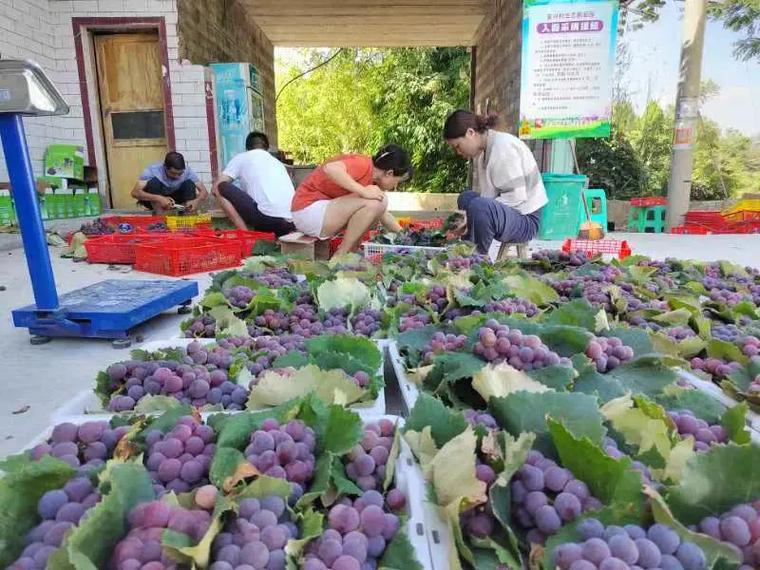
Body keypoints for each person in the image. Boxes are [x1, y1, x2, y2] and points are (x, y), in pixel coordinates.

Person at [443, 110, 548, 255]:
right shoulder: (483, 155)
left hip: (527, 220)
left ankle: (478, 257)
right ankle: (467, 249)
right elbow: (488, 197)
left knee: (479, 207)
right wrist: (464, 219)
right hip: (511, 214)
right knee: (466, 198)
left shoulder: (503, 147)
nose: (458, 152)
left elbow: (517, 197)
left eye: (458, 146)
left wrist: (473, 215)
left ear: (470, 133)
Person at [290, 145, 412, 256]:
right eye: (397, 181)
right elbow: (330, 168)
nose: (395, 186)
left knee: (378, 203)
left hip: (321, 214)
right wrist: (363, 191)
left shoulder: (373, 182)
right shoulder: (363, 164)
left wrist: (405, 236)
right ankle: (342, 254)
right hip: (307, 211)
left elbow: (383, 213)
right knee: (379, 200)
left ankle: (350, 253)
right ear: (389, 173)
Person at [212, 131, 296, 237]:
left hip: (267, 221)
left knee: (220, 187)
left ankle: (246, 234)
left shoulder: (242, 157)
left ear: (247, 149)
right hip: (291, 223)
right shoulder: (277, 163)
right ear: (267, 148)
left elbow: (215, 189)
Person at [131, 151, 208, 213]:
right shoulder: (152, 170)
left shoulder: (187, 171)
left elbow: (204, 192)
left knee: (189, 183)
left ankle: (188, 214)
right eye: (173, 173)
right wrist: (159, 198)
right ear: (165, 167)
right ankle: (160, 217)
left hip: (175, 201)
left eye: (180, 173)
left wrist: (196, 201)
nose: (177, 176)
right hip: (155, 200)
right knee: (154, 183)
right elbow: (135, 193)